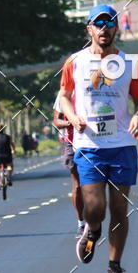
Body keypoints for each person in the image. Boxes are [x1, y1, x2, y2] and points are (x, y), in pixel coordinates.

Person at [60, 3, 138, 273]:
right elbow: (64, 96)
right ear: (89, 29)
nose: (104, 29)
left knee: (119, 209)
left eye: (109, 24)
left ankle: (114, 266)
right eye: (98, 24)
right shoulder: (75, 62)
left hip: (122, 145)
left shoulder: (130, 64)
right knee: (95, 207)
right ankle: (93, 229)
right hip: (89, 145)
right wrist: (72, 116)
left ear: (116, 28)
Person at [53, 93, 84, 237]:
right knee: (77, 185)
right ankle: (81, 223)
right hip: (72, 143)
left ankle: (94, 220)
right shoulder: (64, 94)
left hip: (94, 142)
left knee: (94, 185)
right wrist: (70, 122)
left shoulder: (95, 86)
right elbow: (56, 120)